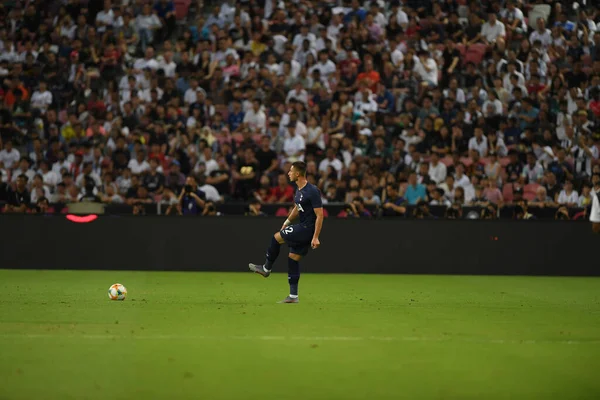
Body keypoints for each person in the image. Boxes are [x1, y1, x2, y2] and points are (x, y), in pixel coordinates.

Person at [249, 161, 324, 303]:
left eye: (291, 171)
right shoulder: (299, 190)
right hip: (303, 227)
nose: (288, 173)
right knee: (293, 258)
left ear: (297, 174)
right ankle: (293, 296)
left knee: (276, 238)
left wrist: (315, 237)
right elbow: (297, 208)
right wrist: (287, 222)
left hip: (307, 229)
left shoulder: (312, 191)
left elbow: (320, 215)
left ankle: (266, 268)